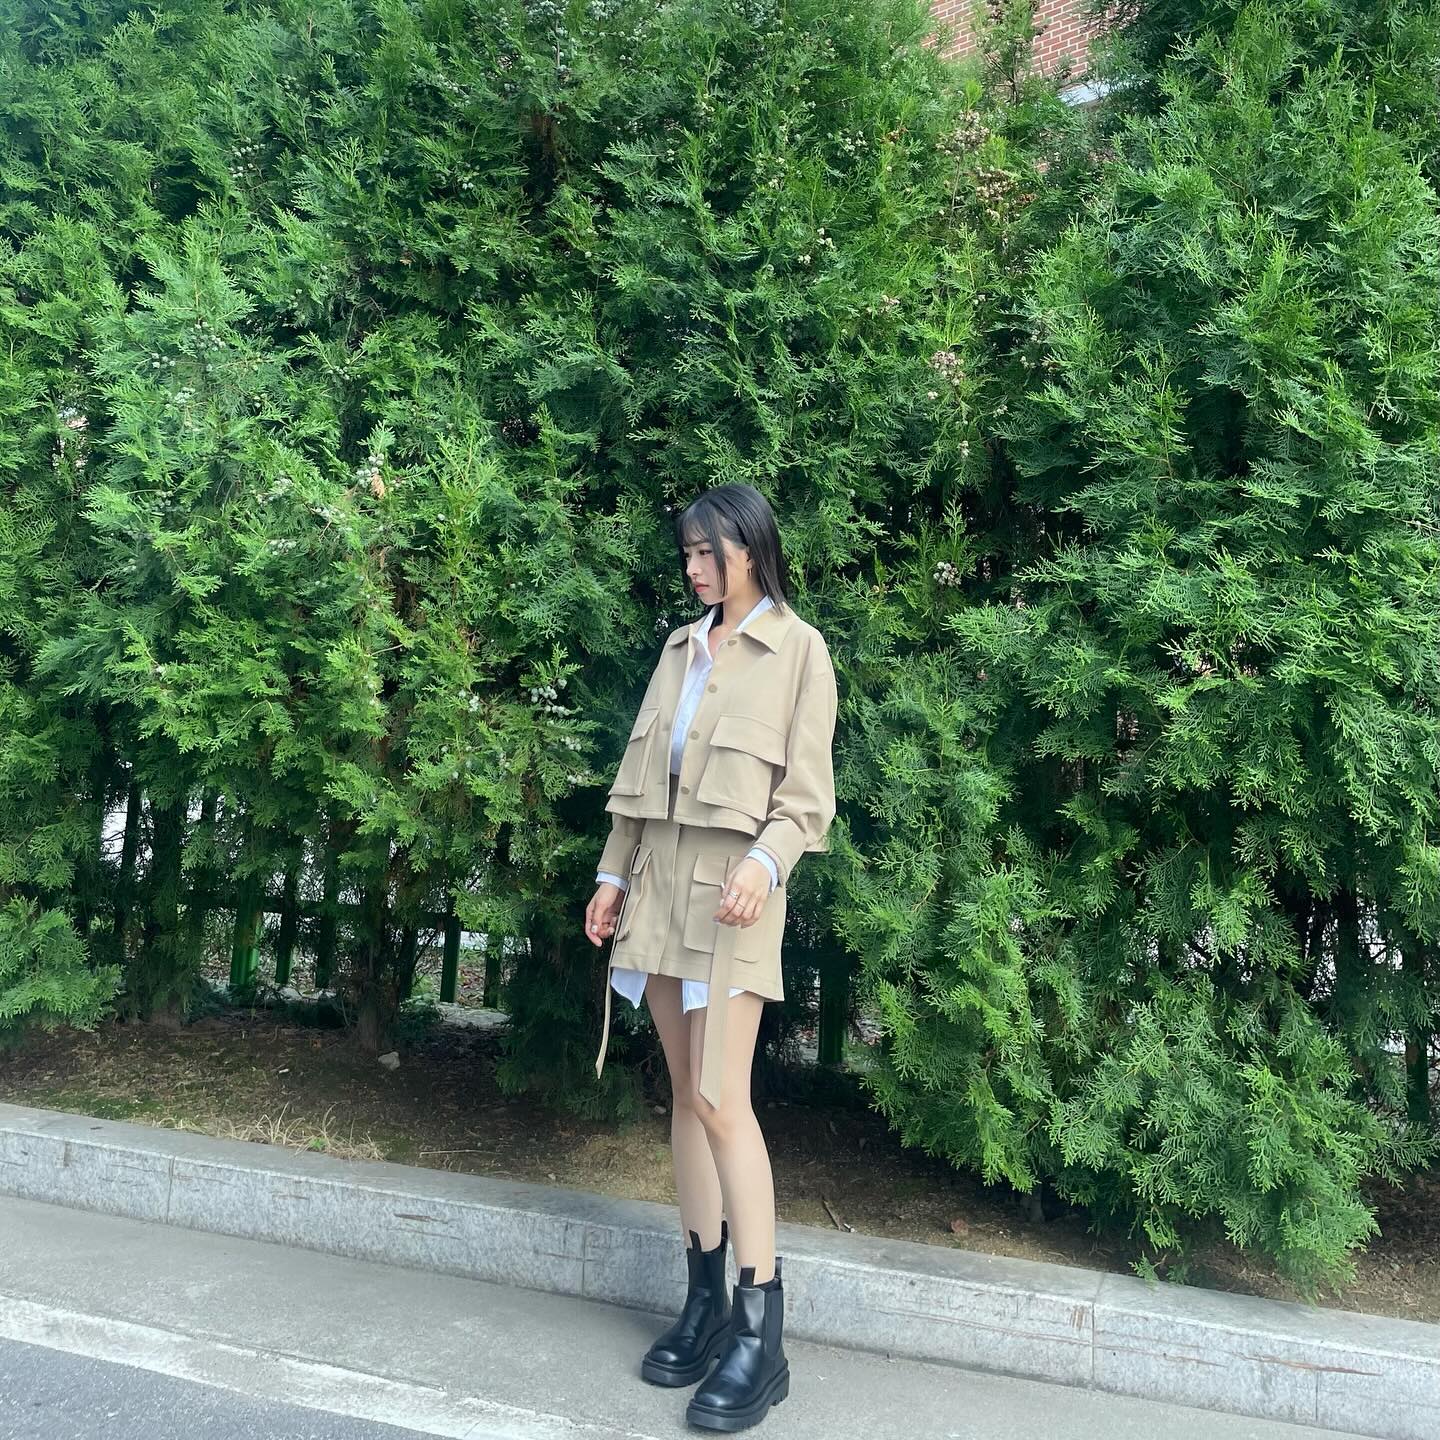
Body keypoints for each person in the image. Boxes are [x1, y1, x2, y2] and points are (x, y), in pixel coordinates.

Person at [584, 482, 838, 1432]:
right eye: (687, 552)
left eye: (707, 552)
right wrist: (611, 877)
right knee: (687, 1097)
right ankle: (704, 1304)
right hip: (658, 897)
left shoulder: (800, 651)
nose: (693, 568)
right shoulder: (678, 650)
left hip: (733, 902)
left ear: (750, 548)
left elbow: (806, 799)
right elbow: (639, 787)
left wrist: (766, 866)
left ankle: (761, 1335)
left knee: (724, 1100)